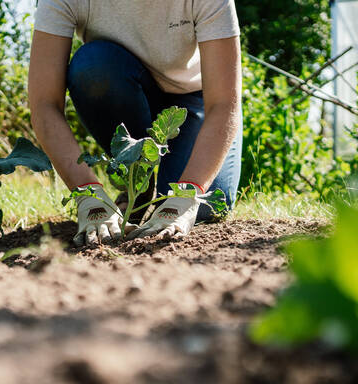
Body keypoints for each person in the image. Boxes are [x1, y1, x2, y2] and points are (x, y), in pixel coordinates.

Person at [28, 0, 243, 246]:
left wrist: (187, 193)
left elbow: (224, 103)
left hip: (197, 101)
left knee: (207, 208)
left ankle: (151, 188)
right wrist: (88, 194)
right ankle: (137, 185)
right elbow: (45, 104)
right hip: (120, 84)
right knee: (92, 67)